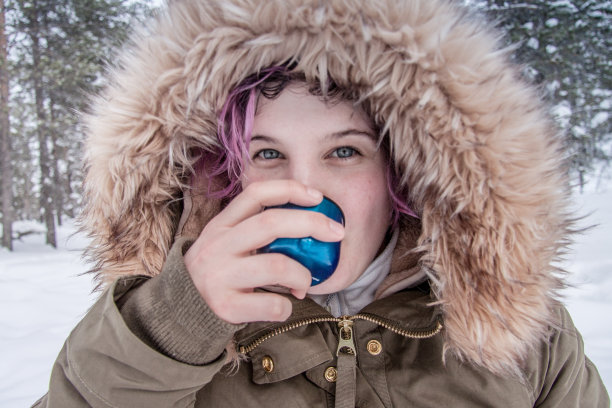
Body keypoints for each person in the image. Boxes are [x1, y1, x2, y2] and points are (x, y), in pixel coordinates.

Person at [34, 0, 609, 406]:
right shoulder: (168, 333)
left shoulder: (529, 342)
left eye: (344, 152)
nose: (303, 189)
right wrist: (175, 324)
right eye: (266, 155)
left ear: (401, 174)